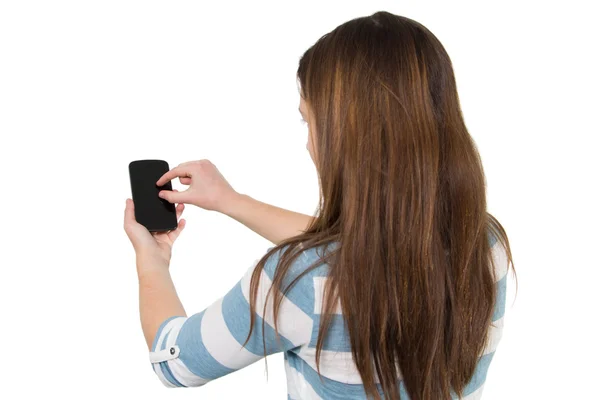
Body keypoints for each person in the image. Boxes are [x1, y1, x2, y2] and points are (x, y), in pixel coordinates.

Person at [124, 10, 515, 400]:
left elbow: (175, 362)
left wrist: (151, 260)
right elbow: (363, 246)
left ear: (348, 139)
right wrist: (232, 202)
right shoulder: (484, 242)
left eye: (309, 123)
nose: (309, 143)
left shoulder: (295, 284)